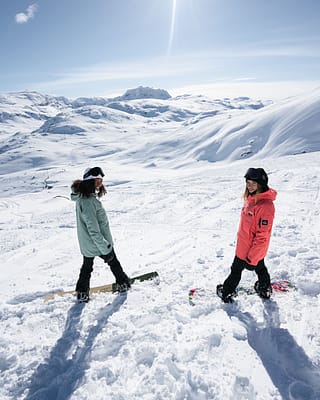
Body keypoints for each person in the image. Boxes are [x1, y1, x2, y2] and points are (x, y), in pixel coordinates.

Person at [217, 168, 277, 303]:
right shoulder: (251, 199)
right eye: (248, 183)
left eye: (253, 183)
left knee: (236, 269)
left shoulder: (265, 206)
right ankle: (264, 288)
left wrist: (252, 256)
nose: (249, 186)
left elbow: (262, 235)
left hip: (250, 248)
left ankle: (226, 292)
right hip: (247, 244)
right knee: (260, 267)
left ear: (261, 184)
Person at [71, 166, 130, 302]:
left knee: (87, 267)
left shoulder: (83, 198)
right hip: (99, 242)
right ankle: (123, 283)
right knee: (113, 262)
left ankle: (82, 292)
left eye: (101, 181)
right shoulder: (88, 202)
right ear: (89, 181)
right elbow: (93, 229)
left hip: (88, 244)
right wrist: (105, 247)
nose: (100, 183)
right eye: (97, 180)